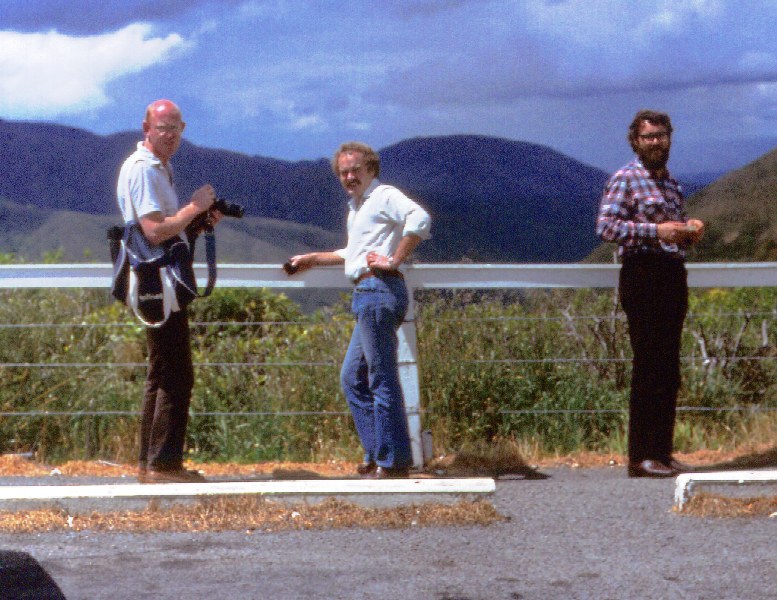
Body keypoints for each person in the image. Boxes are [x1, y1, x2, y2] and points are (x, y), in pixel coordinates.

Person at [287, 142, 431, 478]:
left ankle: (394, 461)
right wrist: (312, 259)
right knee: (352, 378)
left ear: (370, 169)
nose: (349, 177)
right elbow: (355, 251)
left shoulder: (383, 196)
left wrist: (394, 259)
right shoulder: (358, 206)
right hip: (367, 293)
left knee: (381, 378)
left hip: (379, 289)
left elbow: (420, 218)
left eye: (355, 170)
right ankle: (378, 452)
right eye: (343, 172)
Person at [116, 99, 222, 483]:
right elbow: (154, 230)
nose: (171, 134)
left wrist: (195, 221)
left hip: (153, 279)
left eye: (176, 127)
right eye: (163, 127)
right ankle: (164, 464)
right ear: (146, 127)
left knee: (161, 370)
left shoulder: (158, 167)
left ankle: (150, 462)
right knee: (177, 372)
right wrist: (194, 208)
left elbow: (166, 227)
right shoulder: (145, 169)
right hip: (158, 280)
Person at [597, 110, 705, 478]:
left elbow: (671, 231)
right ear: (636, 141)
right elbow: (606, 226)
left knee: (668, 367)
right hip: (642, 275)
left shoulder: (672, 184)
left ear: (670, 138)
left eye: (661, 135)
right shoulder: (625, 179)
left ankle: (662, 451)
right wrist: (656, 232)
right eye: (649, 137)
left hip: (672, 274)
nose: (656, 142)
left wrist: (688, 230)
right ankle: (640, 456)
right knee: (648, 365)